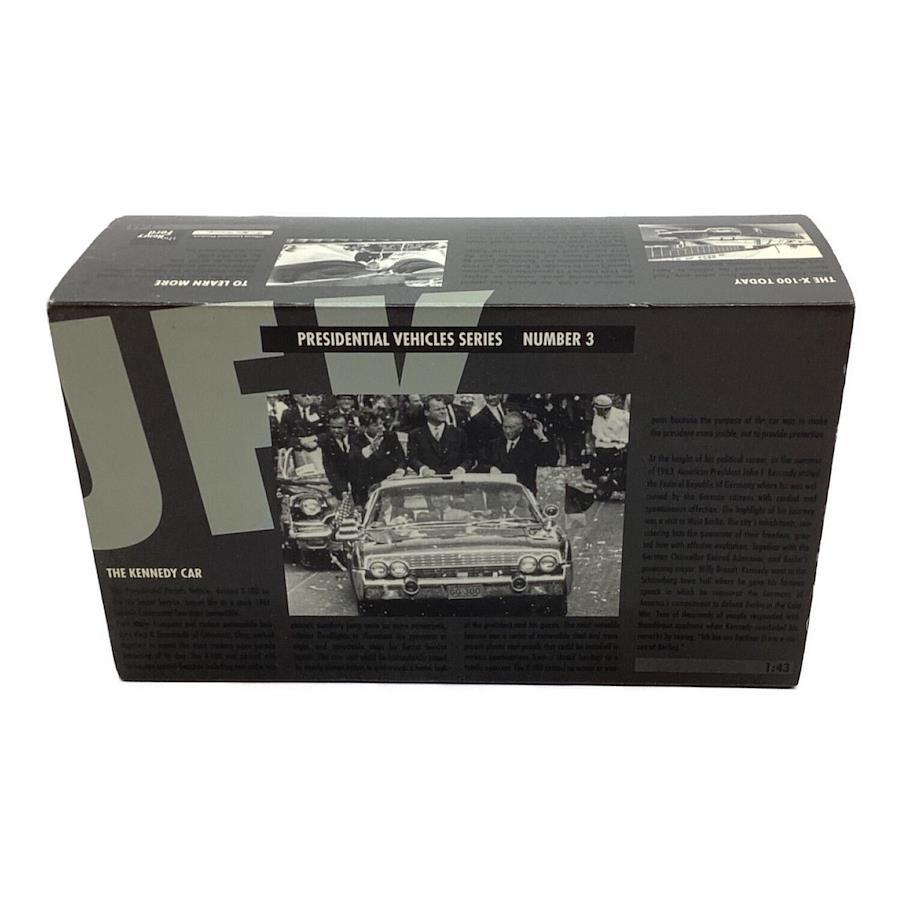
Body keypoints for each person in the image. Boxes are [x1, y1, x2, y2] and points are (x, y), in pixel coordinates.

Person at [482, 411, 558, 494]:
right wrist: (491, 468)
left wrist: (541, 435)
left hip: (522, 492)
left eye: (511, 427)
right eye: (505, 427)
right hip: (498, 492)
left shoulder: (530, 446)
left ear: (521, 428)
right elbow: (482, 463)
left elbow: (551, 459)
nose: (507, 431)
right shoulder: (494, 444)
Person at [348, 410, 406, 504]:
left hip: (390, 484)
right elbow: (355, 462)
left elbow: (401, 458)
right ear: (365, 427)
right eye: (375, 425)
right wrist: (371, 448)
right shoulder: (356, 440)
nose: (380, 427)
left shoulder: (390, 436)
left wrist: (399, 472)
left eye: (381, 423)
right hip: (367, 488)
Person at [406, 395, 473, 475]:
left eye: (444, 408)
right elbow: (412, 458)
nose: (443, 412)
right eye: (437, 409)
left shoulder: (459, 433)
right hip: (427, 479)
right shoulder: (416, 434)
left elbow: (468, 458)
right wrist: (423, 469)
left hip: (454, 479)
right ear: (427, 412)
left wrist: (461, 469)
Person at [585, 394, 629, 493]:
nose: (595, 410)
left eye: (597, 408)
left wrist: (623, 439)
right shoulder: (598, 416)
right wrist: (608, 439)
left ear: (604, 409)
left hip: (622, 445)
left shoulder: (622, 415)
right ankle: (599, 481)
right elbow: (596, 431)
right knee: (598, 457)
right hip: (606, 445)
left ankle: (617, 481)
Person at [467, 393, 508, 466]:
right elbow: (479, 447)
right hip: (494, 462)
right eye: (486, 395)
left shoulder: (512, 408)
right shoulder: (478, 419)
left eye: (493, 394)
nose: (490, 398)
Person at [319, 411, 354, 497]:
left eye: (339, 427)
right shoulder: (326, 443)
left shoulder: (357, 438)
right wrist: (343, 490)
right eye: (333, 427)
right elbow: (331, 469)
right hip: (341, 489)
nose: (336, 431)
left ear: (347, 426)